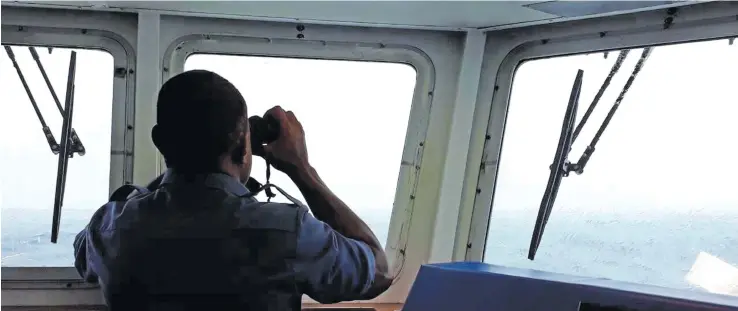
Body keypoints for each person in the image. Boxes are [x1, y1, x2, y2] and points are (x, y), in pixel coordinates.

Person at [73, 70, 393, 310]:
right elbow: (377, 273)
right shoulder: (289, 231)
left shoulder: (111, 226)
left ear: (159, 142)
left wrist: (175, 169)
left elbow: (83, 258)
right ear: (243, 145)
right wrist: (301, 168)